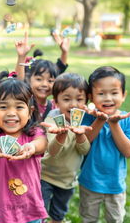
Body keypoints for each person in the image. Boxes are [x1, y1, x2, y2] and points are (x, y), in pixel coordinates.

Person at [0, 78, 48, 223]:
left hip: (30, 209)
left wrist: (32, 147)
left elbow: (42, 143)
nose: (11, 113)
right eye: (3, 107)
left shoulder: (34, 133)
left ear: (29, 112)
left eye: (19, 107)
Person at [78, 66, 130, 223]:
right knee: (88, 218)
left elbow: (129, 152)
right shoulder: (88, 118)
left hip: (115, 184)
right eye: (101, 94)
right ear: (91, 97)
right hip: (90, 182)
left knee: (115, 219)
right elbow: (85, 142)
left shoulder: (129, 119)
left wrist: (114, 124)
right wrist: (101, 120)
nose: (108, 98)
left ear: (123, 95)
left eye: (114, 93)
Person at [40, 73, 91, 223]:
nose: (73, 104)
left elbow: (85, 150)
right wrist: (61, 135)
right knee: (39, 211)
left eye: (79, 99)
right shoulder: (53, 118)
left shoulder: (85, 119)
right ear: (56, 102)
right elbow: (53, 150)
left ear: (86, 101)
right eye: (67, 99)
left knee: (58, 214)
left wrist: (80, 136)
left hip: (67, 179)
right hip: (45, 175)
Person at [14, 32, 69, 120]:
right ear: (28, 79)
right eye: (39, 79)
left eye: (50, 81)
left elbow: (60, 69)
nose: (44, 84)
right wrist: (22, 56)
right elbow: (18, 83)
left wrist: (64, 52)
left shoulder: (54, 107)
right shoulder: (24, 102)